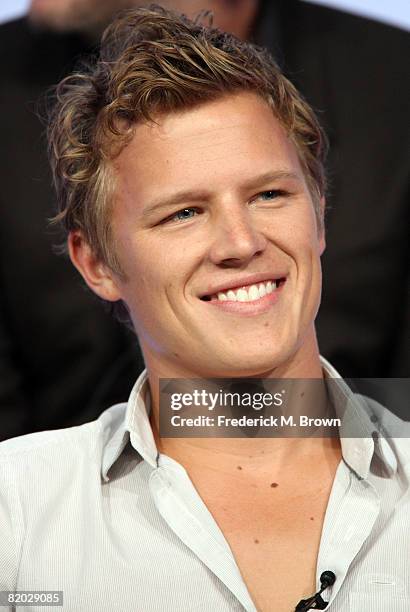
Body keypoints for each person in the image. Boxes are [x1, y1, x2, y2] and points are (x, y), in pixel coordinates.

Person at [0, 7, 408, 611]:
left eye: (270, 194)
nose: (242, 243)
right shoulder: (17, 514)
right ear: (97, 265)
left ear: (319, 211)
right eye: (184, 213)